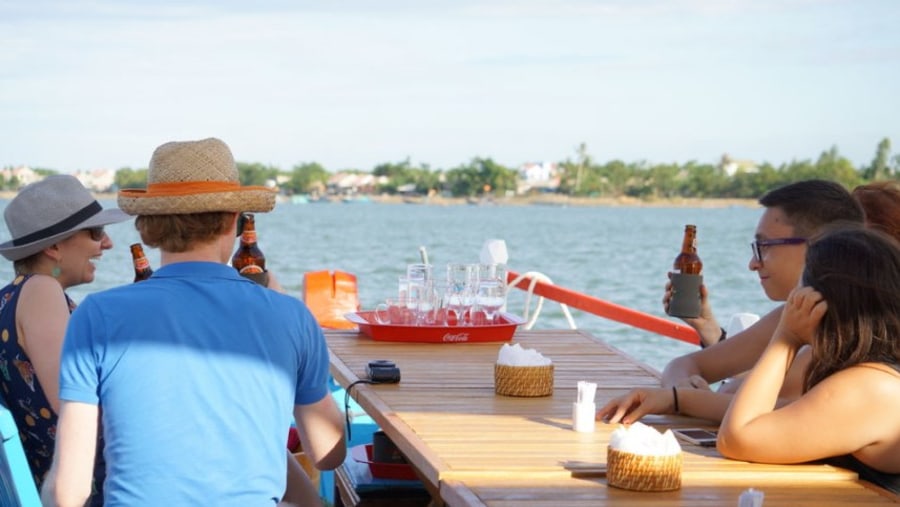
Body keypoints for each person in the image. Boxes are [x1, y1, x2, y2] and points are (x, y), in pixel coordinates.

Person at [40, 138, 346, 506]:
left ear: (148, 227)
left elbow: (66, 493)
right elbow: (329, 455)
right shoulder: (290, 314)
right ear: (235, 221)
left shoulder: (96, 315)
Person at [598, 179, 865, 423]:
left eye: (764, 247)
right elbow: (682, 365)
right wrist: (684, 388)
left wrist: (682, 399)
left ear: (817, 245)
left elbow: (781, 417)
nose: (753, 263)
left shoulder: (851, 336)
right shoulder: (787, 318)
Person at [717, 224, 900, 495]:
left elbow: (736, 438)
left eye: (801, 290)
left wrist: (785, 338)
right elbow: (775, 409)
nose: (793, 300)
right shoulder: (874, 372)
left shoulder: (869, 387)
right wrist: (678, 398)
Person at [0, 174, 130, 505]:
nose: (108, 244)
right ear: (54, 247)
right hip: (84, 488)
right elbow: (69, 401)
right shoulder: (42, 290)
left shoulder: (13, 296)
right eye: (96, 233)